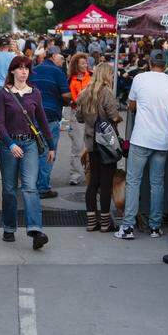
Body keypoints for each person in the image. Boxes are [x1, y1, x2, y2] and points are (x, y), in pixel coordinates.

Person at [0, 56, 54, 249]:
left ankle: (36, 230)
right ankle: (9, 227)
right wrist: (11, 144)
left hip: (29, 145)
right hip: (8, 146)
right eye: (20, 68)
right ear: (12, 71)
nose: (24, 71)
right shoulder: (3, 93)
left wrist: (51, 145)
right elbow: (0, 123)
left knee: (30, 187)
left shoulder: (35, 93)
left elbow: (43, 120)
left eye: (26, 68)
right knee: (10, 189)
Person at [115, 49, 168, 240]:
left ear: (150, 63)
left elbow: (131, 106)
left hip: (141, 137)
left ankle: (128, 227)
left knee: (134, 181)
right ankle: (155, 227)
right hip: (162, 139)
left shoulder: (140, 79)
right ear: (165, 65)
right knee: (157, 183)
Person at [75, 63, 122, 232]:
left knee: (93, 181)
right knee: (106, 182)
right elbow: (114, 116)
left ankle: (91, 221)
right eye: (111, 74)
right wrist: (117, 119)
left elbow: (79, 117)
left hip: (91, 143)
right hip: (107, 143)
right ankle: (104, 222)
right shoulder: (106, 93)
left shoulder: (85, 92)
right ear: (106, 75)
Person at [30, 50, 70, 198]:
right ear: (53, 57)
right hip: (50, 115)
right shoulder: (58, 72)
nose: (63, 61)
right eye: (61, 58)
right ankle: (43, 188)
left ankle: (30, 184)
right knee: (48, 152)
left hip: (32, 115)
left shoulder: (33, 70)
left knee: (32, 150)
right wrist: (69, 100)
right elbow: (66, 95)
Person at [64, 53, 91, 187]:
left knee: (92, 146)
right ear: (76, 65)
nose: (85, 65)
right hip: (76, 114)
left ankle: (91, 174)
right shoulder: (70, 79)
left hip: (91, 114)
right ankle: (74, 175)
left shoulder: (92, 77)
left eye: (85, 63)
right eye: (82, 63)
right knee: (78, 146)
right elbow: (68, 96)